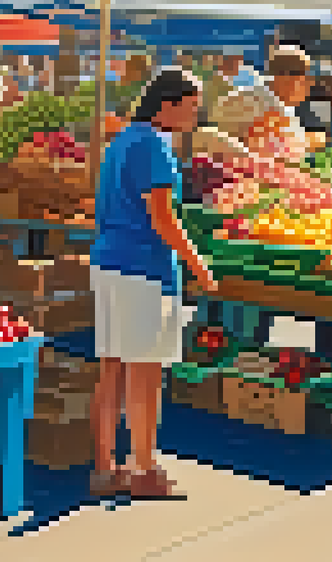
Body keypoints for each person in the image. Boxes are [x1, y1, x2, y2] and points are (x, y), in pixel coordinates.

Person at [89, 67, 215, 500]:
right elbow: (162, 217)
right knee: (145, 372)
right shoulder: (154, 146)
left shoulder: (122, 140)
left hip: (110, 262)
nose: (196, 116)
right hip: (143, 269)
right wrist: (197, 264)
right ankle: (144, 470)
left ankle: (105, 467)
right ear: (167, 105)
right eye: (191, 107)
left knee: (112, 369)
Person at [209, 46, 327, 162]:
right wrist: (311, 141)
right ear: (287, 78)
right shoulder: (255, 102)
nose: (310, 86)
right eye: (307, 79)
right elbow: (279, 150)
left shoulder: (277, 101)